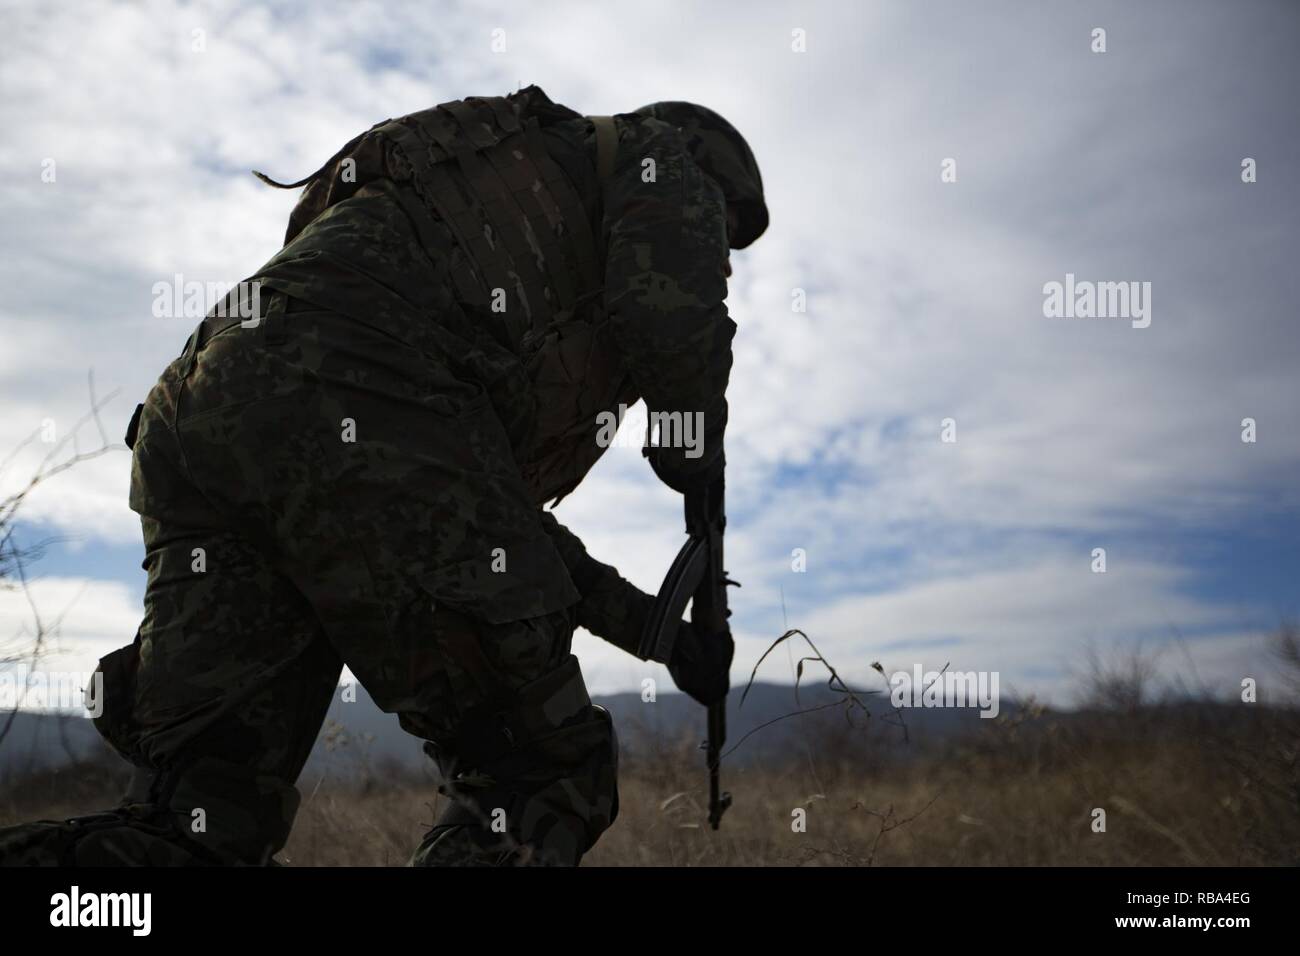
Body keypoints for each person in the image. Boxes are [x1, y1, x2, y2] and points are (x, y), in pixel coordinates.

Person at [0, 85, 768, 866]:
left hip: (207, 409)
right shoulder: (663, 160)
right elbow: (673, 331)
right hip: (354, 399)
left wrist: (659, 633)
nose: (719, 252)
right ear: (712, 170)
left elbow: (473, 519)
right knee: (539, 773)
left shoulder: (480, 235)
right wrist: (697, 462)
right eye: (726, 235)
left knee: (201, 819)